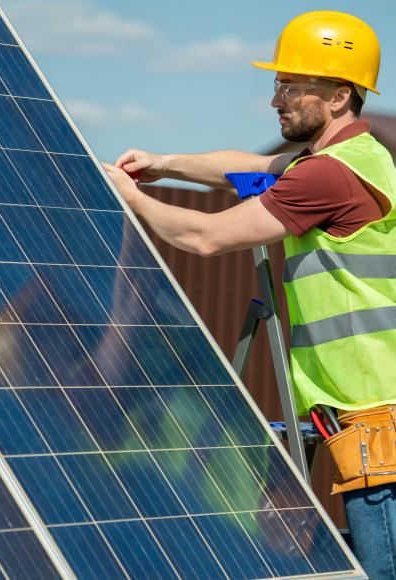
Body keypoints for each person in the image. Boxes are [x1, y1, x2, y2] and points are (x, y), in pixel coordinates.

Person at [104, 10, 396, 579]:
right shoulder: (348, 159)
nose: (275, 100)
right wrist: (165, 165)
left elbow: (208, 237)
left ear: (339, 95)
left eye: (291, 86)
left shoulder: (328, 177)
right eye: (276, 84)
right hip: (367, 411)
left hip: (375, 419)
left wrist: (130, 198)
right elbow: (247, 167)